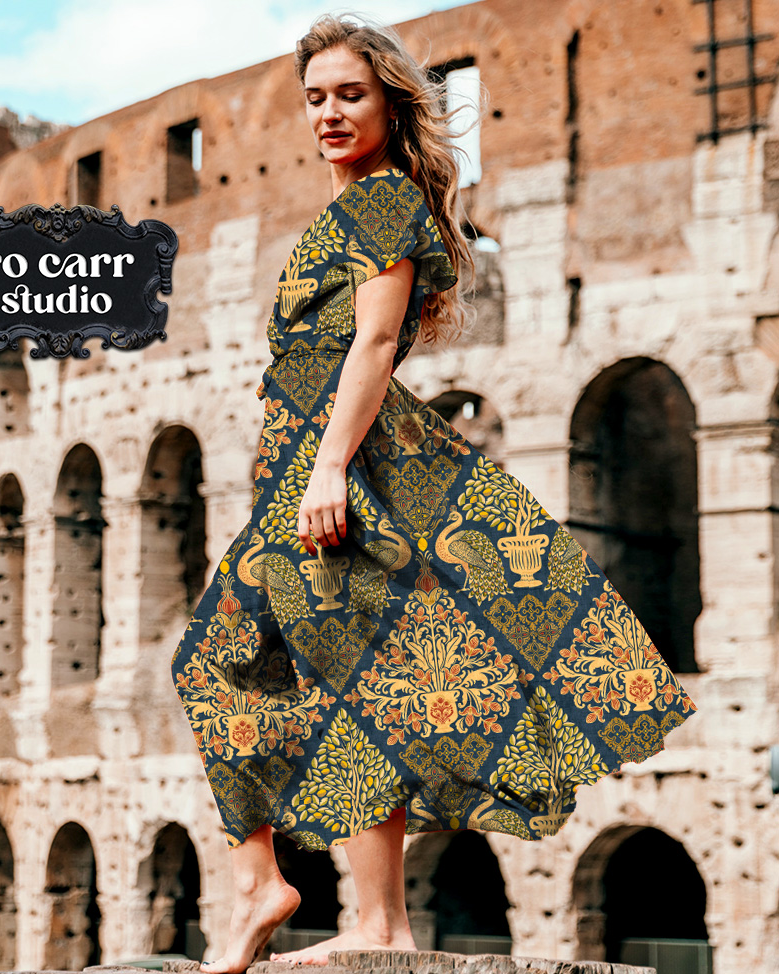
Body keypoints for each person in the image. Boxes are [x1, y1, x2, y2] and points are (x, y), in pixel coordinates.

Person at [171, 12, 697, 973]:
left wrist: (328, 468)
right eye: (316, 98)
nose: (330, 112)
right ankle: (331, 906)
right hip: (303, 457)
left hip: (336, 461)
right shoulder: (349, 209)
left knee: (278, 668)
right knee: (297, 669)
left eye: (351, 94)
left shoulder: (381, 202)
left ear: (391, 102)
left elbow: (373, 342)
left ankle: (329, 908)